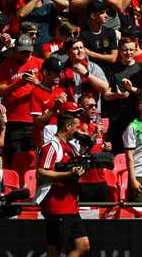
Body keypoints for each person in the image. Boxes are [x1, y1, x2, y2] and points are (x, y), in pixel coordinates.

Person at [36, 105, 90, 257]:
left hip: (70, 204)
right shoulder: (51, 146)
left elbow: (73, 167)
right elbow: (41, 171)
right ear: (68, 126)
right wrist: (66, 175)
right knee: (56, 249)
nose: (79, 131)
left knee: (83, 245)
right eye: (77, 127)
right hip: (56, 205)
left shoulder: (71, 147)